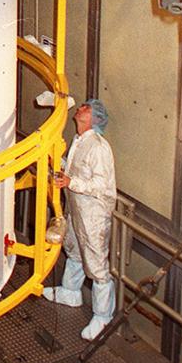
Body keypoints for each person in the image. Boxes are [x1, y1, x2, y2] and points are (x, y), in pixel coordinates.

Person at [43, 98, 117, 341]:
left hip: (93, 214)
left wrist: (70, 182)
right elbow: (74, 171)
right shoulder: (79, 140)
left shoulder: (98, 147)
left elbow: (101, 184)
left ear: (95, 118)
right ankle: (71, 292)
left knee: (96, 263)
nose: (81, 108)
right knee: (74, 249)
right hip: (76, 208)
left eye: (87, 107)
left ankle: (103, 317)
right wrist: (59, 164)